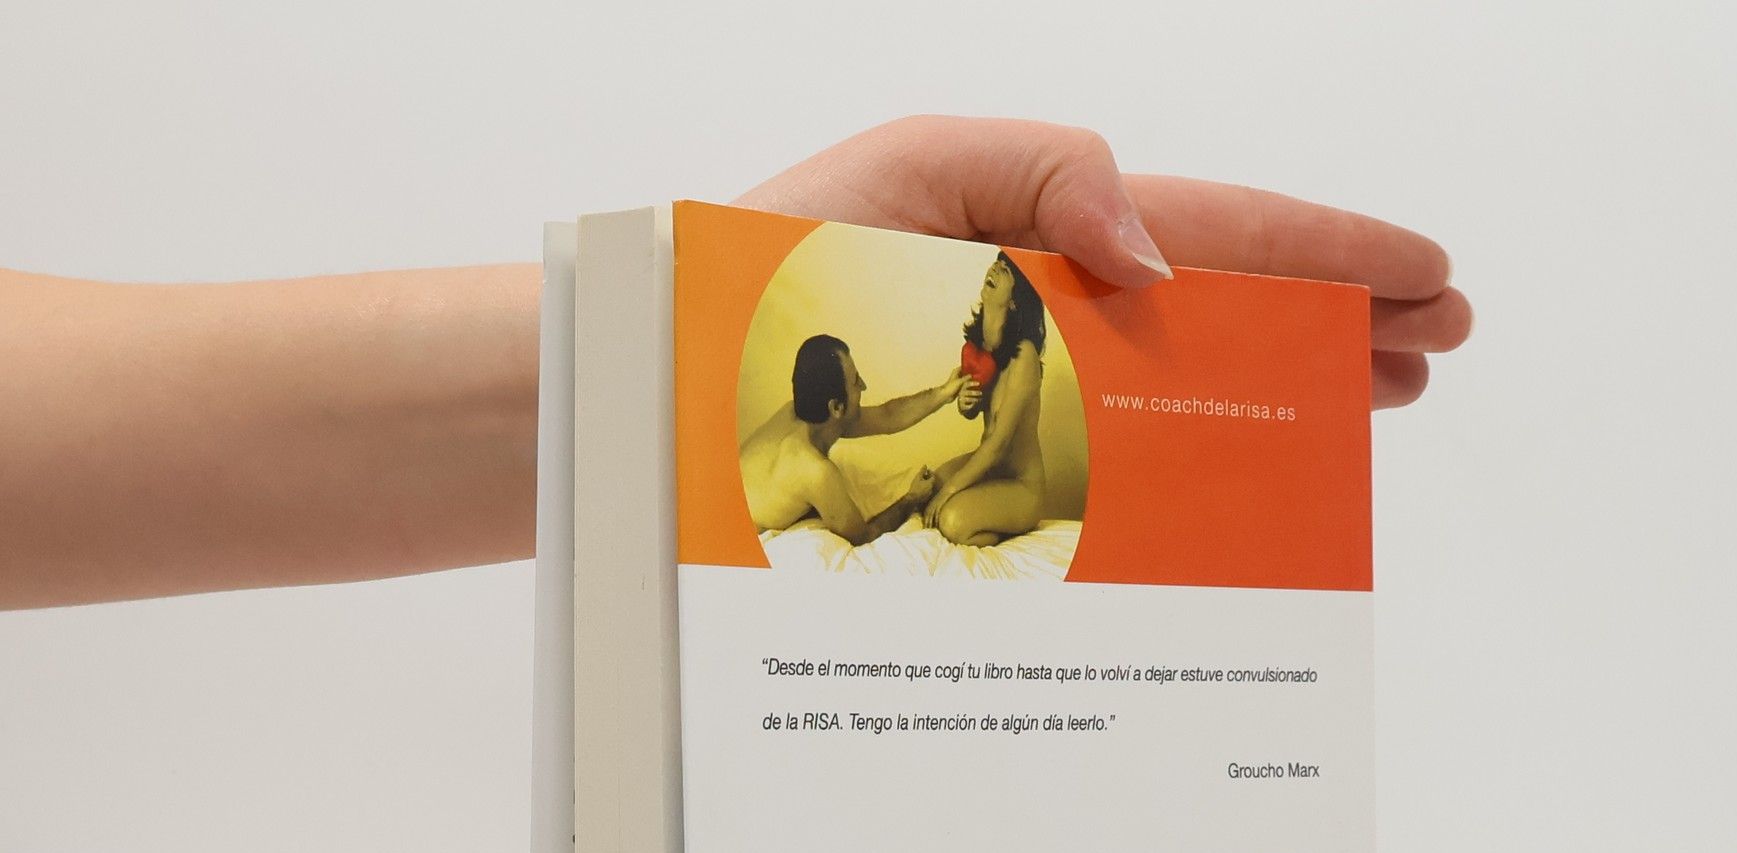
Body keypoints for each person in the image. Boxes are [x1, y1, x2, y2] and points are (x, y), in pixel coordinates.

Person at [0, 117, 1471, 611]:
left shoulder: (845, 419)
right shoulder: (818, 464)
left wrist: (693, 324)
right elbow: (885, 465)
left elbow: (900, 412)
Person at [739, 333, 961, 543]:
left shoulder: (798, 413)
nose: (863, 385)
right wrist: (912, 498)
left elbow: (888, 416)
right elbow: (863, 536)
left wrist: (944, 393)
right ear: (836, 407)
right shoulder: (816, 471)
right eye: (855, 381)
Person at [925, 251, 1051, 546]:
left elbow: (999, 444)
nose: (995, 267)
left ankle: (1008, 529)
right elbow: (977, 412)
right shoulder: (983, 347)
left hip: (1021, 485)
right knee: (933, 484)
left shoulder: (1024, 356)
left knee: (951, 519)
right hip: (992, 469)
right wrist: (964, 403)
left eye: (1006, 269)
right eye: (997, 262)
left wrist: (950, 492)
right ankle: (986, 516)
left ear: (1015, 299)